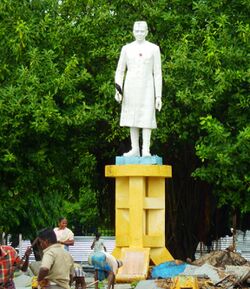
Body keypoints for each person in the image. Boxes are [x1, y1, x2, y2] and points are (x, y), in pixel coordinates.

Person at [115, 21, 162, 157]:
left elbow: (158, 73)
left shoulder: (154, 49)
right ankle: (134, 148)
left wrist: (158, 96)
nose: (139, 33)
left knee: (147, 116)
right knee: (132, 117)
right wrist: (118, 89)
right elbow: (120, 71)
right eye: (137, 31)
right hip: (130, 87)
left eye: (142, 31)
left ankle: (146, 149)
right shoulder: (126, 48)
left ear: (147, 32)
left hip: (147, 87)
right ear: (133, 31)